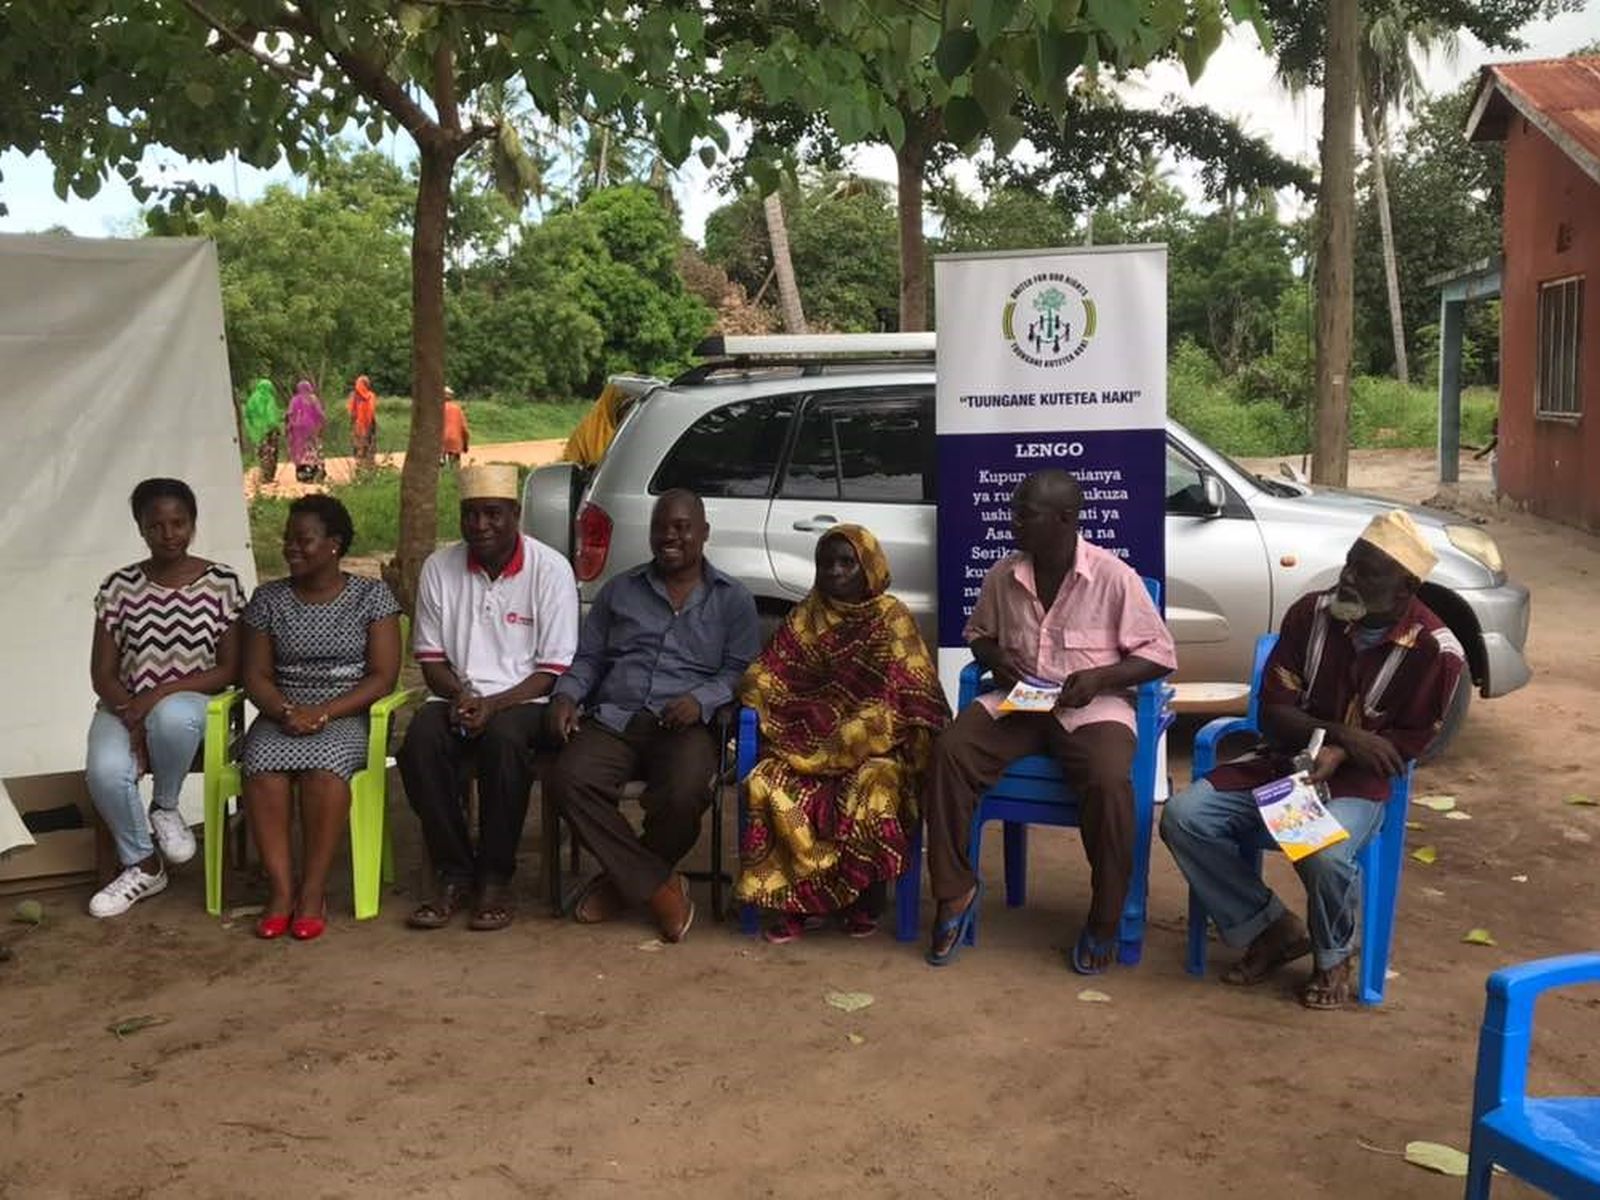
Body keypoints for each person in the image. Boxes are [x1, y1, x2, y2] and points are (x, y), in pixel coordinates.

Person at [1160, 510, 1465, 1010]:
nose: (1349, 577)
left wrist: (1345, 752)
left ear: (1405, 588)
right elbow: (1273, 713)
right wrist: (1345, 735)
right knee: (1184, 817)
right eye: (1350, 563)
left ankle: (1334, 955)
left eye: (1367, 573)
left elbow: (1407, 744)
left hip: (1358, 784)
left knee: (1321, 849)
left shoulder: (1435, 651)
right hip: (1280, 764)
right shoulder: (1311, 614)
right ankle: (1269, 928)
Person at [923, 469, 1176, 971]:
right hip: (1020, 703)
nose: (1012, 521)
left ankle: (1105, 917)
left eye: (1025, 514)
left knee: (1109, 780)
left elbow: (1159, 655)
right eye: (1013, 511)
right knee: (949, 750)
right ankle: (954, 891)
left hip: (1090, 707)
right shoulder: (1003, 575)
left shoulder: (1113, 577)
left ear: (1065, 519)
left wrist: (1101, 678)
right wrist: (995, 657)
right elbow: (978, 634)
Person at [543, 490, 760, 943]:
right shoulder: (619, 591)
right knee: (567, 779)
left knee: (685, 793)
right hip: (616, 719)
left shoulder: (732, 599)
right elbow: (589, 659)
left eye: (681, 527)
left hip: (685, 726)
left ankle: (621, 885)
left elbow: (741, 671)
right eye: (660, 527)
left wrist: (701, 699)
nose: (669, 536)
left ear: (704, 533)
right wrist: (566, 695)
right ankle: (660, 889)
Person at [736, 525, 948, 942]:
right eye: (826, 563)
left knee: (874, 787)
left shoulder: (891, 617)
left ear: (869, 566)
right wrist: (804, 716)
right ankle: (798, 903)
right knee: (768, 783)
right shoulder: (805, 616)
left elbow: (916, 691)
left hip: (873, 749)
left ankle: (861, 899)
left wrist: (859, 730)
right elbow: (765, 674)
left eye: (846, 562)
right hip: (803, 744)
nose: (834, 571)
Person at [399, 464, 578, 931]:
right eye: (471, 514)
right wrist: (461, 695)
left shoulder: (550, 569)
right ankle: (455, 871)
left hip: (528, 703)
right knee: (419, 742)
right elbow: (431, 661)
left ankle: (495, 877)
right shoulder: (440, 568)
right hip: (458, 696)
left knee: (503, 739)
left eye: (493, 513)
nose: (480, 525)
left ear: (516, 514)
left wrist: (493, 704)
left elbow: (552, 670)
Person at [238, 494, 401, 941]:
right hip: (283, 712)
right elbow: (255, 675)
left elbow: (383, 676)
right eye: (288, 539)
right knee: (262, 768)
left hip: (346, 712)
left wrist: (323, 712)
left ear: (334, 544)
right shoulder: (268, 599)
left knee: (324, 772)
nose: (291, 547)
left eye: (303, 539)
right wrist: (286, 710)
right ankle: (281, 891)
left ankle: (312, 892)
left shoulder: (371, 597)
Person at [85, 479, 246, 917]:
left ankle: (165, 805)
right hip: (123, 705)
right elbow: (102, 674)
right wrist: (132, 714)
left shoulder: (222, 583)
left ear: (193, 523)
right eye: (156, 525)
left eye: (179, 523)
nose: (169, 534)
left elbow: (230, 669)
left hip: (196, 705)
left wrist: (158, 693)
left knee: (171, 715)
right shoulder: (119, 586)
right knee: (105, 771)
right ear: (140, 528)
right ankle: (143, 863)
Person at [243, 378, 284, 486]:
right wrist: (276, 427)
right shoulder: (268, 398)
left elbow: (247, 416)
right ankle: (269, 477)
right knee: (271, 454)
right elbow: (271, 415)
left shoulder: (251, 400)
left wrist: (252, 430)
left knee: (263, 453)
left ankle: (264, 476)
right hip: (269, 431)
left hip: (257, 432)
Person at [286, 379, 327, 484]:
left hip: (298, 431)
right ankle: (316, 473)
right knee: (313, 449)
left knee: (301, 451)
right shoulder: (313, 399)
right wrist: (322, 424)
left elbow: (290, 415)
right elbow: (320, 413)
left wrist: (290, 427)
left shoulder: (294, 400)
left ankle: (303, 475)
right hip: (312, 429)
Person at [347, 374, 379, 467]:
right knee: (365, 444)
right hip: (365, 424)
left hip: (362, 424)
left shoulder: (357, 396)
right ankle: (365, 464)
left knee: (362, 445)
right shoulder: (370, 395)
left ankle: (363, 463)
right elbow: (371, 410)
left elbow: (351, 411)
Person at [440, 387, 469, 468]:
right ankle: (455, 472)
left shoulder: (436, 409)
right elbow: (464, 428)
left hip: (440, 442)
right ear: (451, 397)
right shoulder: (458, 409)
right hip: (455, 441)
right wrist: (465, 444)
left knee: (439, 464)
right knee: (455, 465)